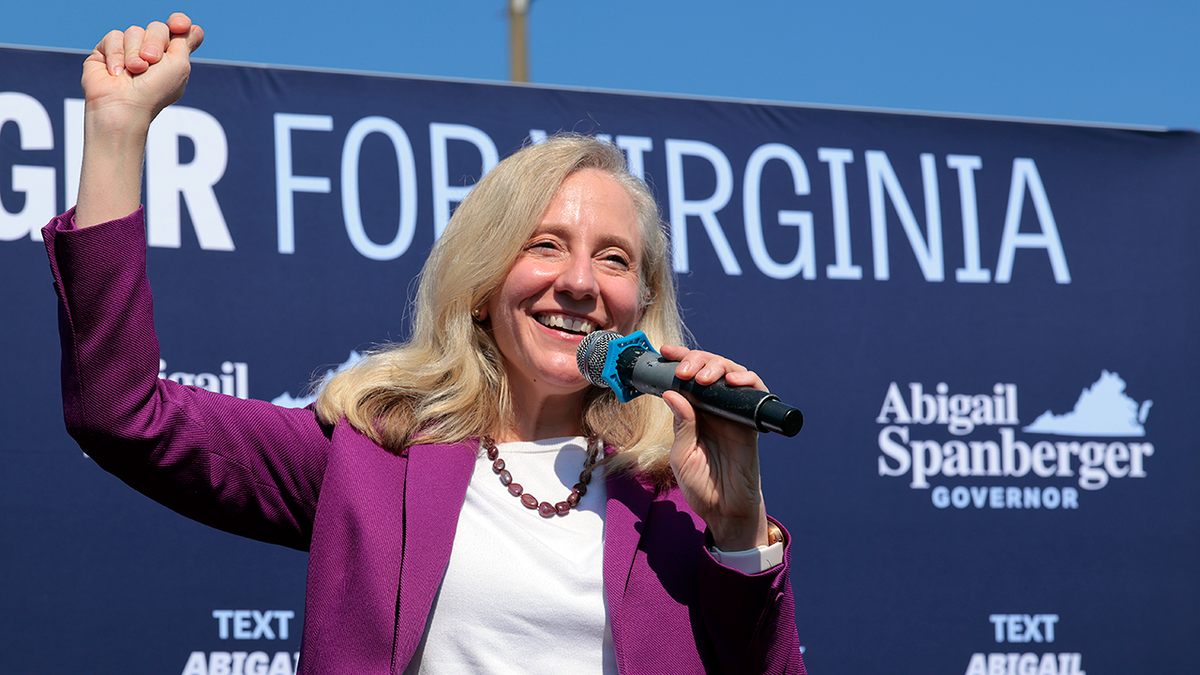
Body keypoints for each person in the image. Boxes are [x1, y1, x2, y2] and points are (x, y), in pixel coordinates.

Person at [46, 12, 805, 674]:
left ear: (640, 302)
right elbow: (123, 413)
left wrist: (738, 531)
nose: (579, 282)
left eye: (613, 258)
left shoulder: (674, 499)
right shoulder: (369, 460)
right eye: (544, 245)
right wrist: (117, 135)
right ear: (481, 285)